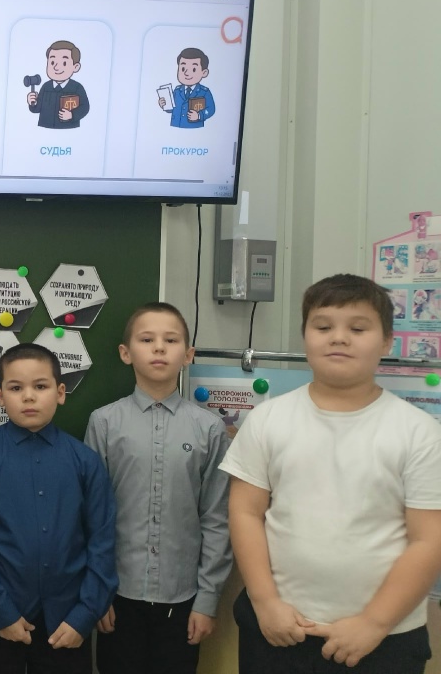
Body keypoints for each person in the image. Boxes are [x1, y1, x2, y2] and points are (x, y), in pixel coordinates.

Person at [222, 274, 441, 673]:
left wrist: (374, 623)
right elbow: (245, 512)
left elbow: (428, 540)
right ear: (305, 336)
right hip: (277, 627)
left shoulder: (419, 432)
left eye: (358, 329)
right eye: (323, 327)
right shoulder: (268, 419)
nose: (339, 338)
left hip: (383, 638)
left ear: (387, 342)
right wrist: (265, 601)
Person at [86, 302, 232, 674]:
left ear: (188, 354)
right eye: (147, 339)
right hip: (118, 594)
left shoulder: (209, 429)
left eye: (171, 340)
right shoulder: (104, 422)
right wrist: (96, 592)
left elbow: (216, 518)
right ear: (125, 353)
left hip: (182, 598)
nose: (159, 347)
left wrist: (207, 600)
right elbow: (91, 516)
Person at [0, 343, 116, 674]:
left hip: (67, 621)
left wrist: (85, 615)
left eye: (40, 386)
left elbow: (103, 542)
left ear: (60, 393)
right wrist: (1, 612)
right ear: (0, 397)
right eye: (16, 388)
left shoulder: (85, 462)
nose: (28, 397)